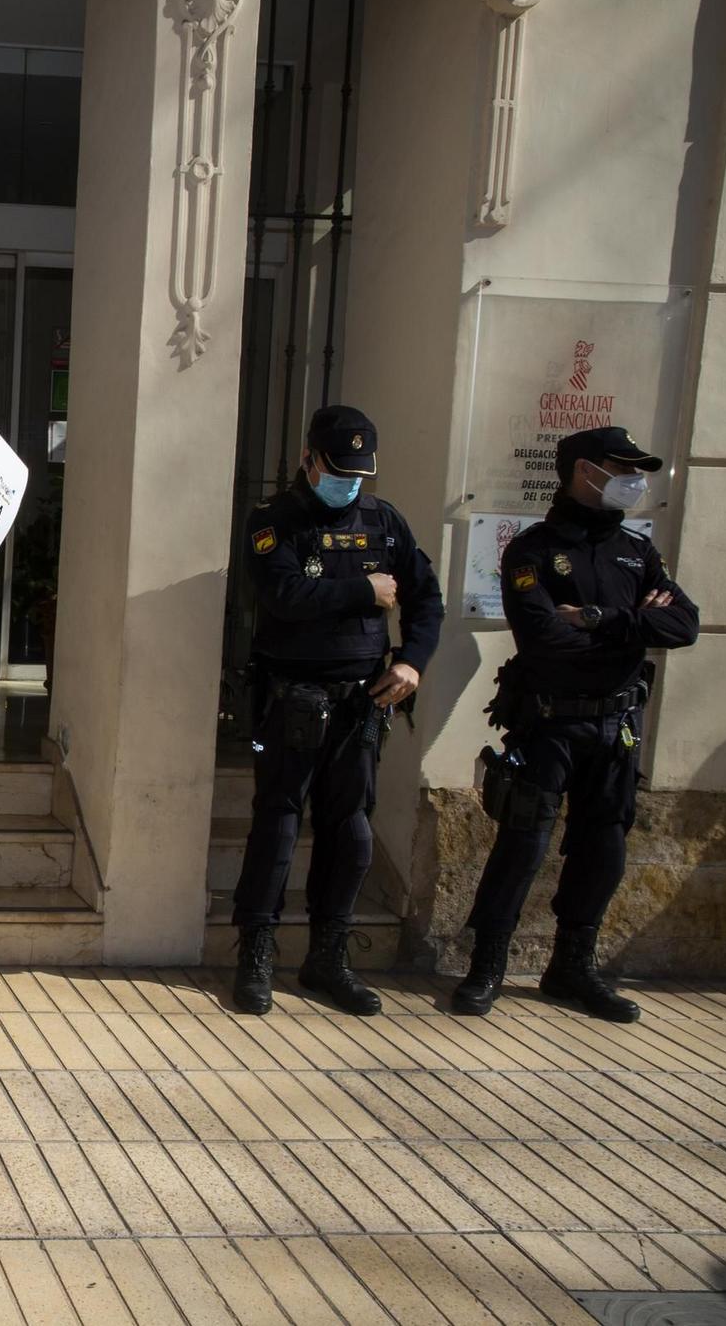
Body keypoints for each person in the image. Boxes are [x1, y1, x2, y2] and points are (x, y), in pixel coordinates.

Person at [452, 426, 697, 1021]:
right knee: (523, 843)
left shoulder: (636, 551)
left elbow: (684, 625)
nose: (634, 480)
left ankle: (572, 966)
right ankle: (487, 964)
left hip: (617, 726)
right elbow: (542, 639)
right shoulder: (533, 550)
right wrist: (632, 625)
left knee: (604, 846)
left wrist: (596, 619)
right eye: (622, 468)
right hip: (550, 723)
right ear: (584, 471)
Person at [232, 405, 444, 1016]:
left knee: (350, 832)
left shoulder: (384, 522)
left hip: (361, 703)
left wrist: (412, 662)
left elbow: (426, 599)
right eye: (338, 468)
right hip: (291, 699)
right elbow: (283, 594)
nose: (349, 481)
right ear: (309, 460)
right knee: (277, 824)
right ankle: (257, 952)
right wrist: (364, 591)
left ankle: (328, 955)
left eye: (359, 471)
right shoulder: (276, 521)